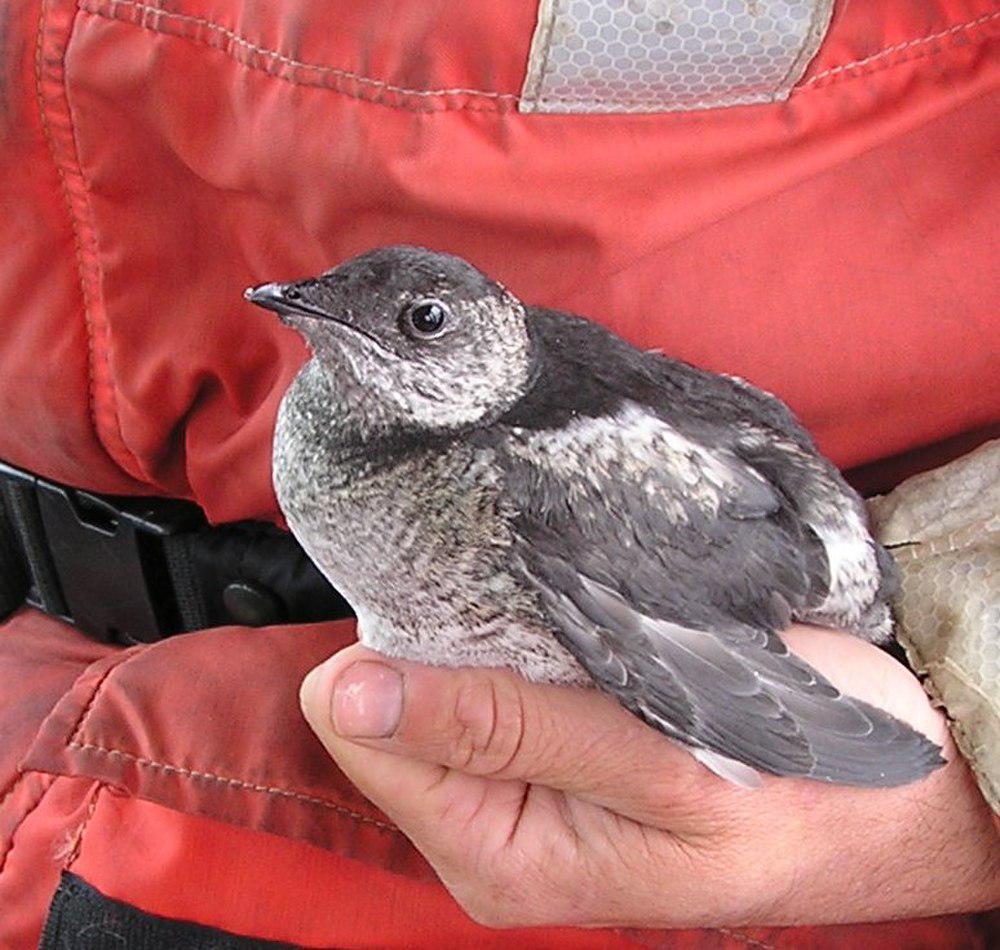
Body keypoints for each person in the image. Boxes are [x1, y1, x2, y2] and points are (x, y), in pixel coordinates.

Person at [1, 0, 997, 946]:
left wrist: (976, 779)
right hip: (51, 730)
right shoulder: (361, 403)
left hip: (641, 876)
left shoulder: (557, 481)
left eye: (423, 326)